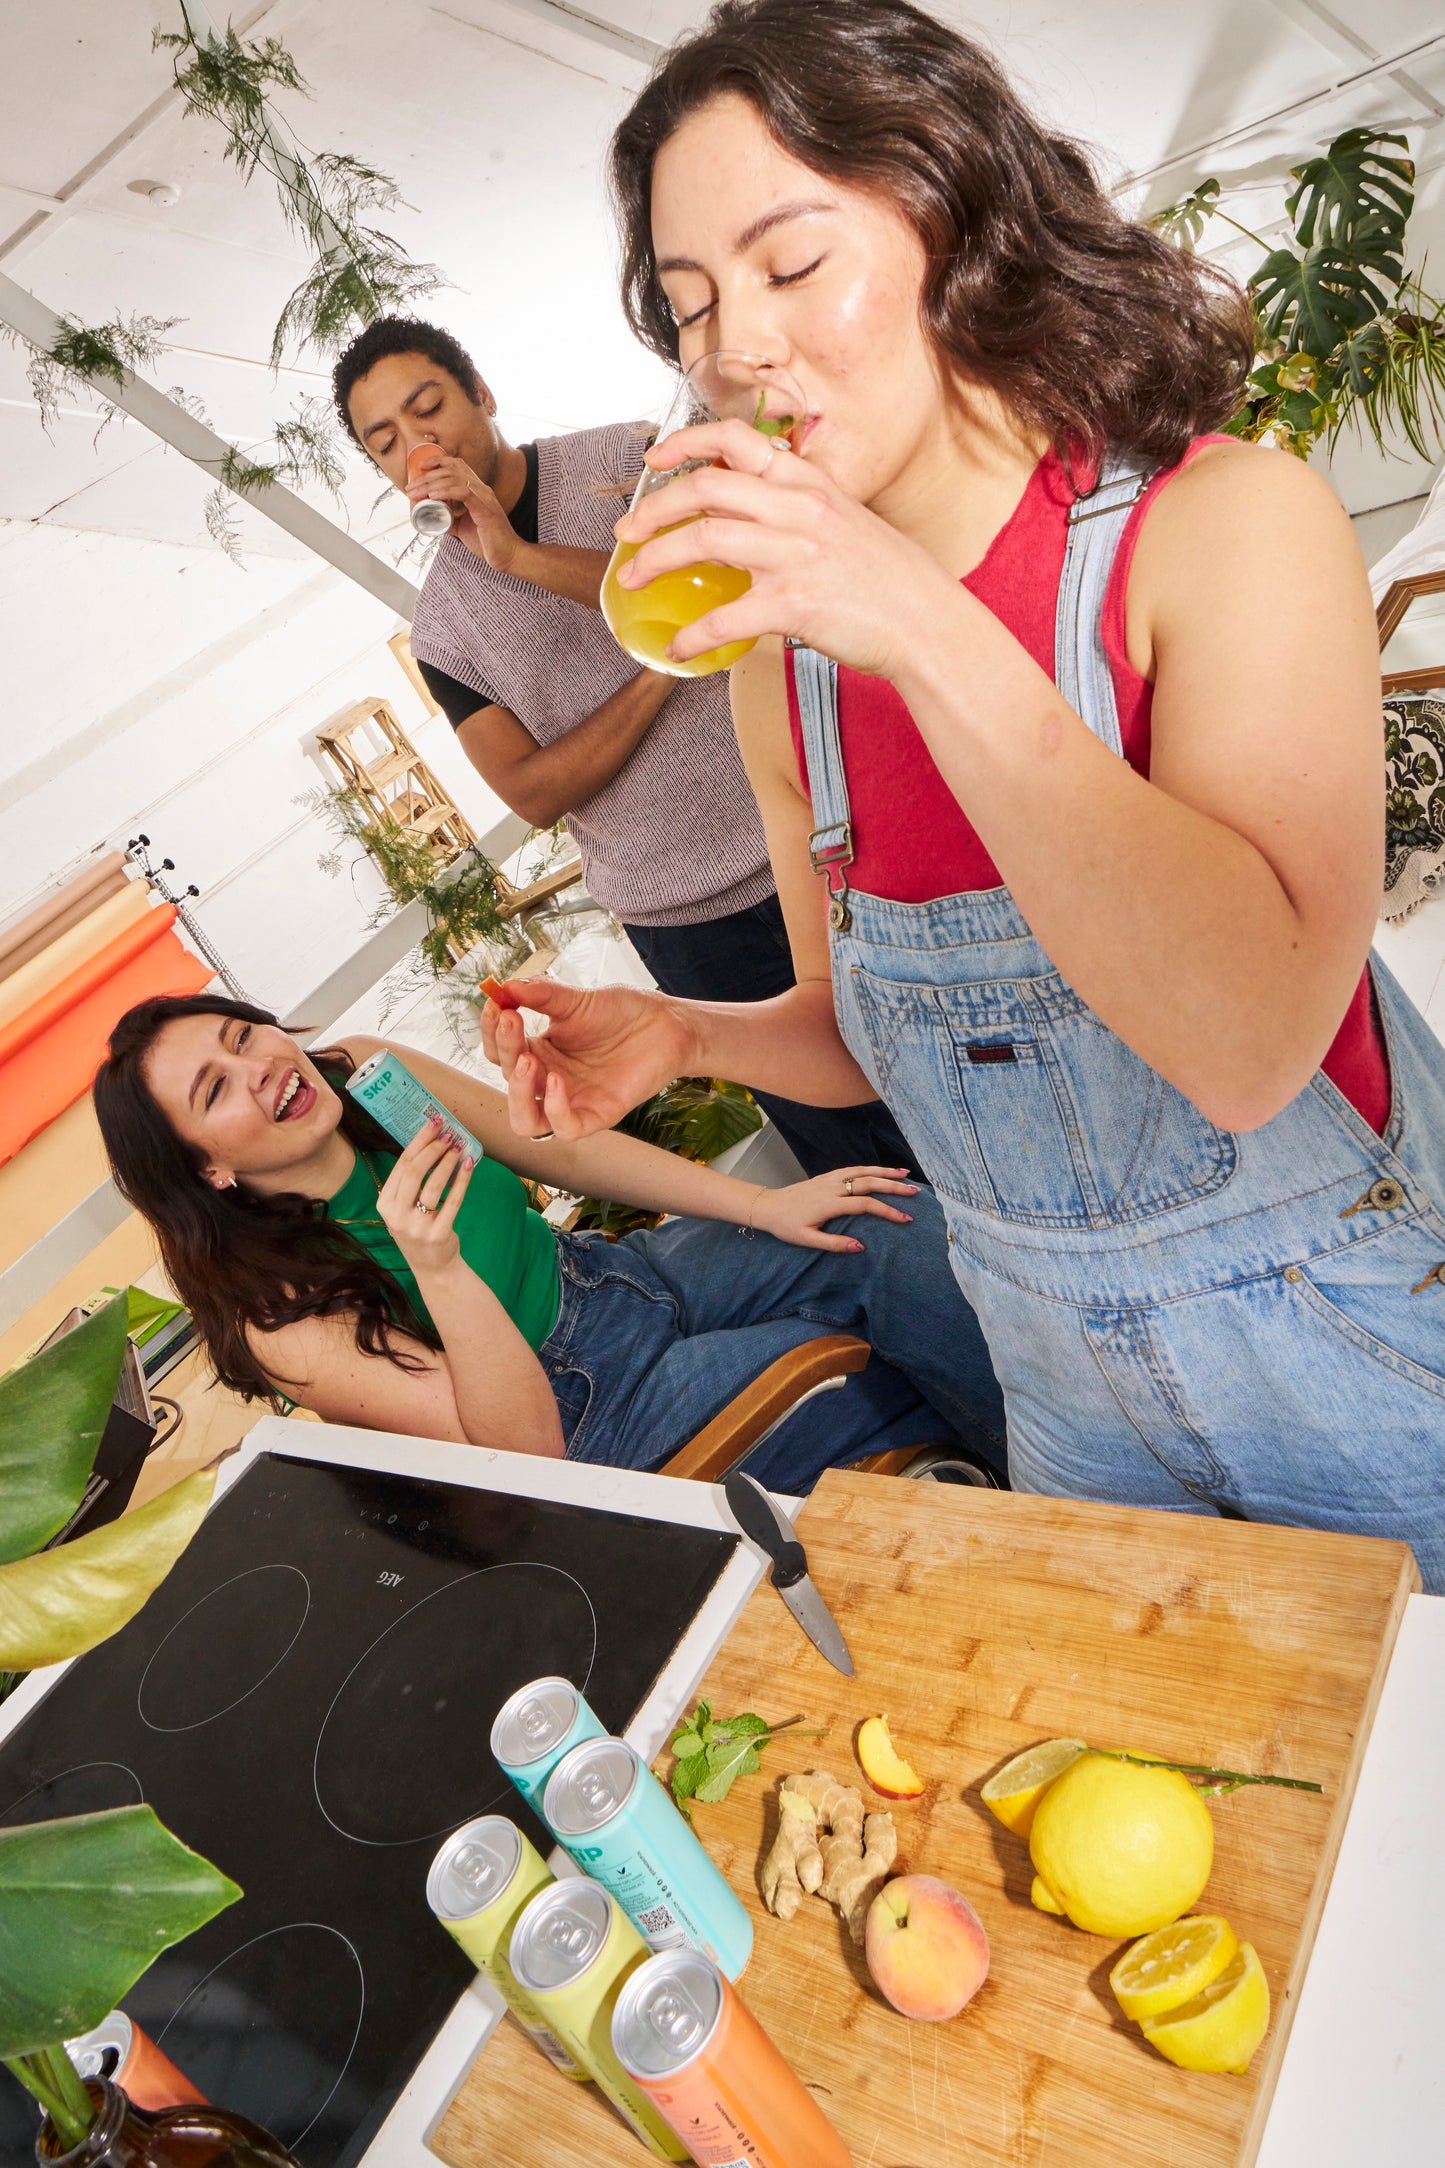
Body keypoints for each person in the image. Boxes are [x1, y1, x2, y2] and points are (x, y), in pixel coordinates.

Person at [477, 0, 1445, 1593]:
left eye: (792, 264)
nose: (731, 350)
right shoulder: (784, 676)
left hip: (1342, 1327)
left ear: (960, 229)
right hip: (1053, 1376)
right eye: (691, 306)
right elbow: (882, 1029)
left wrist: (922, 624)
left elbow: (1252, 1044)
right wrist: (688, 1037)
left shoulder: (1221, 527)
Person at [330, 316, 917, 1181]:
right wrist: (657, 672)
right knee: (857, 1156)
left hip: (824, 838)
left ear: (480, 394)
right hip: (689, 922)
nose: (420, 444)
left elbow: (712, 574)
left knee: (947, 1051)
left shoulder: (624, 460)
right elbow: (532, 792)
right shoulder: (442, 631)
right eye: (386, 441)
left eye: (429, 409)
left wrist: (517, 556)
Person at [93, 993, 1006, 1492]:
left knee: (876, 1225)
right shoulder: (273, 1313)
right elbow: (522, 1454)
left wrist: (760, 1205)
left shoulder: (368, 1074)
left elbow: (562, 1153)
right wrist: (437, 1266)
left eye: (241, 1036)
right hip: (584, 1417)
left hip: (617, 1277)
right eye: (215, 1090)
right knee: (835, 1369)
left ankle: (1056, 1481)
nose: (258, 1068)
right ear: (206, 1169)